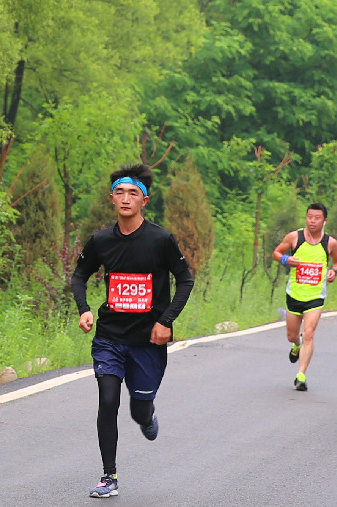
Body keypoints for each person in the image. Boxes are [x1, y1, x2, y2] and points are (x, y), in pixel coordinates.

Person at [71, 163, 195, 498]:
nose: (126, 198)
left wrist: (165, 321)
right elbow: (79, 274)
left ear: (144, 200)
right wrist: (84, 309)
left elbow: (185, 279)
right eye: (120, 192)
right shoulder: (101, 241)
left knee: (138, 409)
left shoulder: (160, 240)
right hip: (110, 337)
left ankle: (147, 414)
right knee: (107, 399)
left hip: (147, 341)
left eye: (133, 193)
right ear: (112, 198)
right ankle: (108, 475)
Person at [271, 203, 337, 392]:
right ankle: (296, 345)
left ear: (324, 220)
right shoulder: (295, 237)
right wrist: (286, 260)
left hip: (316, 296)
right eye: (309, 217)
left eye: (317, 217)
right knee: (292, 335)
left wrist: (334, 271)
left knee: (309, 333)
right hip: (294, 294)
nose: (312, 221)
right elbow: (276, 252)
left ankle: (301, 375)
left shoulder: (330, 243)